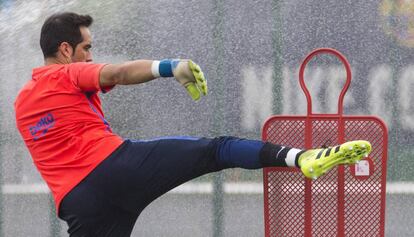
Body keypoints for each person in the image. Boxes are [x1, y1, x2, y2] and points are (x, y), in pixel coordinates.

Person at [14, 12, 371, 237]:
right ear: (65, 50)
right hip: (115, 168)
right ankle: (302, 158)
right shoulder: (67, 74)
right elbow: (119, 72)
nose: (91, 55)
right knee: (216, 149)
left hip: (79, 203)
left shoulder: (21, 104)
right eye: (86, 48)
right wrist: (171, 67)